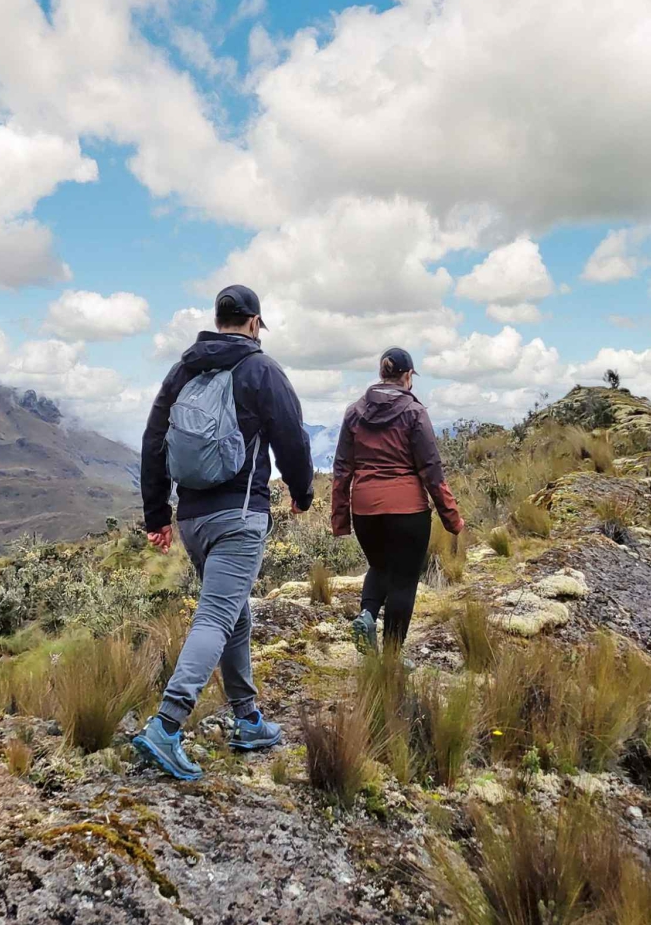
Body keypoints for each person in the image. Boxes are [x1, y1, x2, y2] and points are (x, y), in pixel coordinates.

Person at [133, 284, 314, 780]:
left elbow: (153, 441)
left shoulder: (183, 370)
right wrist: (302, 493)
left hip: (192, 520)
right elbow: (293, 438)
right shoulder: (261, 370)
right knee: (216, 614)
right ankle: (166, 727)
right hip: (239, 517)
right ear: (254, 323)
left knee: (234, 615)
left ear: (218, 320)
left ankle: (248, 719)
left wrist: (156, 516)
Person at [331, 347, 463, 656]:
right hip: (407, 510)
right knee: (404, 579)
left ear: (381, 374)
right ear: (407, 376)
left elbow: (341, 470)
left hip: (364, 509)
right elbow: (431, 470)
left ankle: (366, 615)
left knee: (379, 566)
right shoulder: (414, 412)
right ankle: (390, 660)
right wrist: (451, 518)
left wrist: (340, 519)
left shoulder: (354, 412)